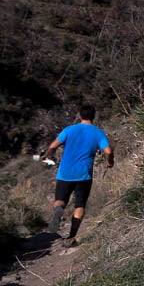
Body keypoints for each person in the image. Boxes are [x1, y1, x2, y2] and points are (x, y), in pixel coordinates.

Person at [44, 103, 113, 244]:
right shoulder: (98, 132)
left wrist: (50, 156)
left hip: (65, 172)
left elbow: (52, 146)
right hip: (84, 175)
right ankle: (71, 236)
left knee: (60, 200)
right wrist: (110, 162)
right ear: (93, 116)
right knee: (80, 204)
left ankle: (58, 210)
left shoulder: (69, 130)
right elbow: (108, 151)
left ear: (80, 115)